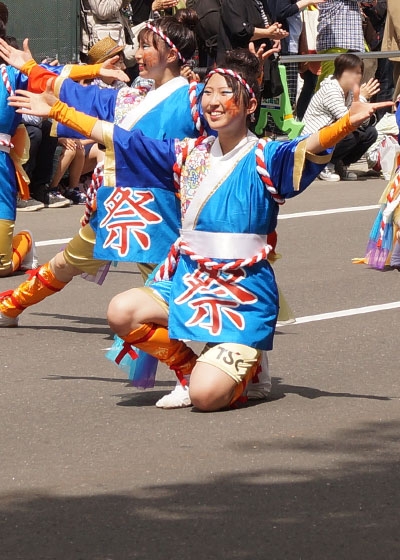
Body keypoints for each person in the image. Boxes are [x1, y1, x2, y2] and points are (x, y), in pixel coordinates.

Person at [10, 47, 391, 411]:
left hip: (242, 293)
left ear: (249, 105)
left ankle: (246, 364)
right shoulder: (187, 154)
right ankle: (189, 368)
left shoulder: (266, 156)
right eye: (208, 92)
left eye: (225, 93)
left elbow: (308, 147)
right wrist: (58, 108)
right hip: (189, 278)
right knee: (122, 311)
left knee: (207, 399)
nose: (213, 100)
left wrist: (346, 123)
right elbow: (121, 139)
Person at [303, 53, 380, 181]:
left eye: (359, 72)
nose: (357, 77)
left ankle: (340, 164)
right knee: (350, 134)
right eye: (353, 73)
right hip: (312, 141)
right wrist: (361, 98)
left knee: (370, 133)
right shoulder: (331, 90)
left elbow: (364, 123)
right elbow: (347, 121)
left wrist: (365, 106)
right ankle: (323, 165)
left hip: (329, 136)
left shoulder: (349, 92)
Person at [316, 0, 377, 90]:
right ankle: (320, 104)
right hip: (336, 43)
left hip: (350, 41)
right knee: (329, 84)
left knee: (355, 85)